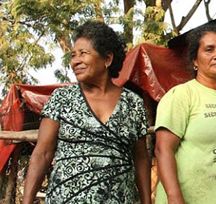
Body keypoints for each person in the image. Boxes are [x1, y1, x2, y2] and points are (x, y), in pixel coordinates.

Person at [22, 21, 151, 203]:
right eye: (73, 55)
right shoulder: (62, 98)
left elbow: (141, 158)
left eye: (83, 53)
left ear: (107, 59)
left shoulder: (133, 103)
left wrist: (147, 201)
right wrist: (26, 201)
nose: (75, 61)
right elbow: (42, 153)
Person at [153, 23, 216, 204]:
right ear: (194, 60)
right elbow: (163, 149)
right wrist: (174, 198)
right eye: (209, 50)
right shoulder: (182, 95)